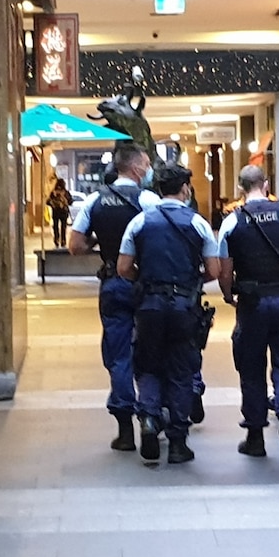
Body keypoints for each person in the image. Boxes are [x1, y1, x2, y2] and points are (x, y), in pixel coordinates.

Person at [117, 162, 219, 464]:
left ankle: (148, 418)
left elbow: (123, 268)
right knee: (180, 370)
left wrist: (147, 280)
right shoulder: (198, 223)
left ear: (157, 188)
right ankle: (177, 441)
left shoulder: (139, 222)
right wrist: (190, 282)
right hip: (184, 306)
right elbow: (213, 269)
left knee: (147, 364)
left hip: (149, 305)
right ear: (185, 188)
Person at [217, 164, 279, 467]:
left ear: (240, 187)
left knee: (251, 369)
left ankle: (256, 438)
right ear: (267, 183)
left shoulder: (232, 221)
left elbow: (225, 269)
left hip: (252, 303)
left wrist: (229, 294)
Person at [69, 142, 160, 452]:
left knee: (118, 355)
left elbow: (75, 245)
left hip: (112, 283)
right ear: (135, 168)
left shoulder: (94, 201)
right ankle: (150, 415)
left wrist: (99, 241)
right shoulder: (150, 200)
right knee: (151, 351)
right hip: (145, 283)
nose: (149, 170)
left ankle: (124, 430)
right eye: (146, 165)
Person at [46, 177, 73, 248]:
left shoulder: (53, 192)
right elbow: (70, 202)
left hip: (56, 212)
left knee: (55, 226)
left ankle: (56, 239)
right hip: (64, 212)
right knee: (63, 227)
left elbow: (47, 202)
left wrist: (53, 203)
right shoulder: (66, 192)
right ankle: (63, 240)